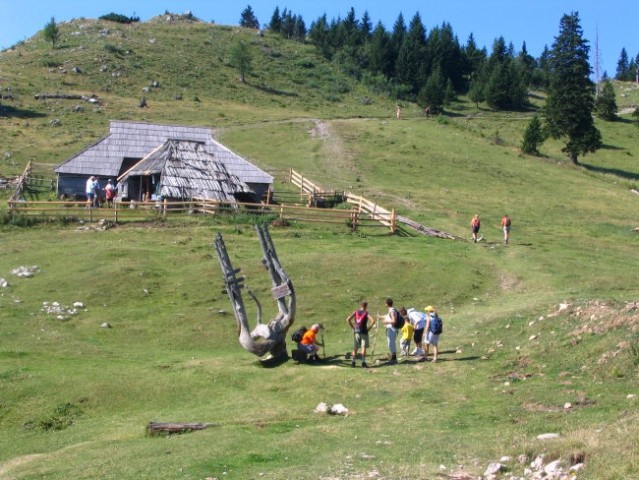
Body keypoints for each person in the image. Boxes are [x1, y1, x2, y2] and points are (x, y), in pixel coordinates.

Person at [346, 301, 374, 368]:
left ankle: (353, 362)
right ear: (366, 306)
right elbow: (373, 321)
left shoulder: (356, 312)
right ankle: (363, 362)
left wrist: (353, 327)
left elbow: (348, 319)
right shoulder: (366, 313)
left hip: (356, 331)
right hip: (364, 331)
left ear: (360, 306)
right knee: (363, 347)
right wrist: (368, 328)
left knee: (355, 348)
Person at [377, 298, 400, 364]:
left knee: (391, 343)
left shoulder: (392, 311)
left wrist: (386, 322)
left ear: (387, 304)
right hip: (391, 329)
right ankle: (393, 357)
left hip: (392, 329)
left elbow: (394, 321)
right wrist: (380, 317)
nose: (385, 304)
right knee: (390, 343)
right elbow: (387, 316)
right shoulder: (391, 310)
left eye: (385, 303)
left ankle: (394, 358)